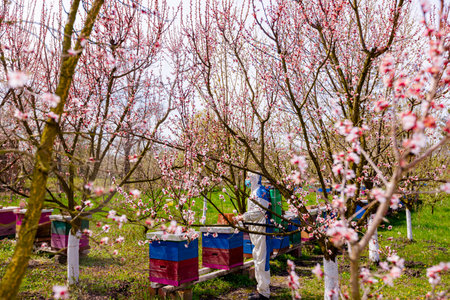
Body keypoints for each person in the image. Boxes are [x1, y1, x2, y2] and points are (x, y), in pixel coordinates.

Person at [235, 172, 271, 300]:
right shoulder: (254, 192)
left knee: (262, 261)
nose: (247, 180)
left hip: (262, 231)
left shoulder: (260, 191)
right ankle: (260, 290)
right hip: (255, 230)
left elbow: (260, 212)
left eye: (249, 177)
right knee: (257, 259)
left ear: (255, 178)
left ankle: (264, 293)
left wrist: (243, 217)